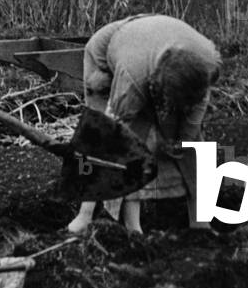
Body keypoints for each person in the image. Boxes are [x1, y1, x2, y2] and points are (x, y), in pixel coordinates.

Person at [66, 14, 221, 235]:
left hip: (154, 42)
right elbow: (106, 136)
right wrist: (85, 213)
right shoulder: (133, 80)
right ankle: (128, 227)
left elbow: (194, 117)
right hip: (110, 47)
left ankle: (201, 224)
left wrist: (181, 141)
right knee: (129, 141)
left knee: (195, 145)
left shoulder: (207, 64)